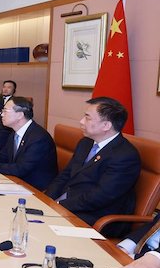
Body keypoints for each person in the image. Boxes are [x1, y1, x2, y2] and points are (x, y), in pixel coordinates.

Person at [44, 97, 140, 237]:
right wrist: (47, 199)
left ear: (106, 125)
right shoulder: (86, 143)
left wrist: (60, 205)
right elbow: (66, 175)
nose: (81, 121)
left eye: (87, 118)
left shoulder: (125, 155)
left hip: (98, 216)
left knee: (43, 230)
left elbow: (100, 196)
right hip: (71, 204)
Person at [0, 97, 57, 190]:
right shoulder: (15, 132)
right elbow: (3, 156)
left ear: (20, 115)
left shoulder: (38, 138)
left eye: (5, 111)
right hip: (16, 181)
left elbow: (21, 168)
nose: (1, 115)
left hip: (35, 188)